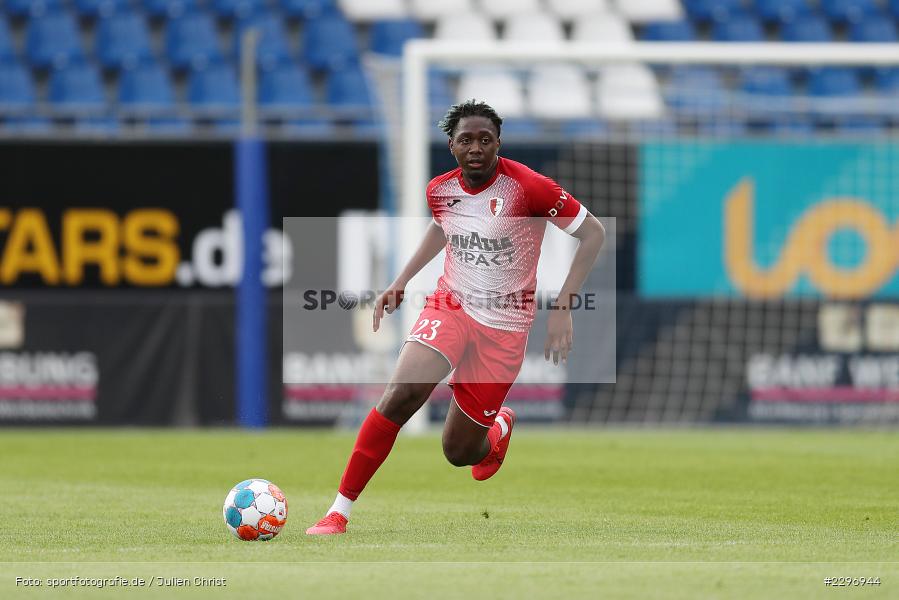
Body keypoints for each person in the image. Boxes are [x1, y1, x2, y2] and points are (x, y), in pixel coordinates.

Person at [306, 100, 605, 535]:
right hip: (452, 307)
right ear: (451, 145)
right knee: (401, 395)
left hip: (504, 330)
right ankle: (338, 512)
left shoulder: (529, 188)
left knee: (458, 452)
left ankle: (498, 428)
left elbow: (593, 233)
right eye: (466, 140)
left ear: (498, 142)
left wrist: (562, 306)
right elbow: (443, 225)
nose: (476, 148)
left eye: (486, 139)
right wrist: (402, 279)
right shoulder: (440, 190)